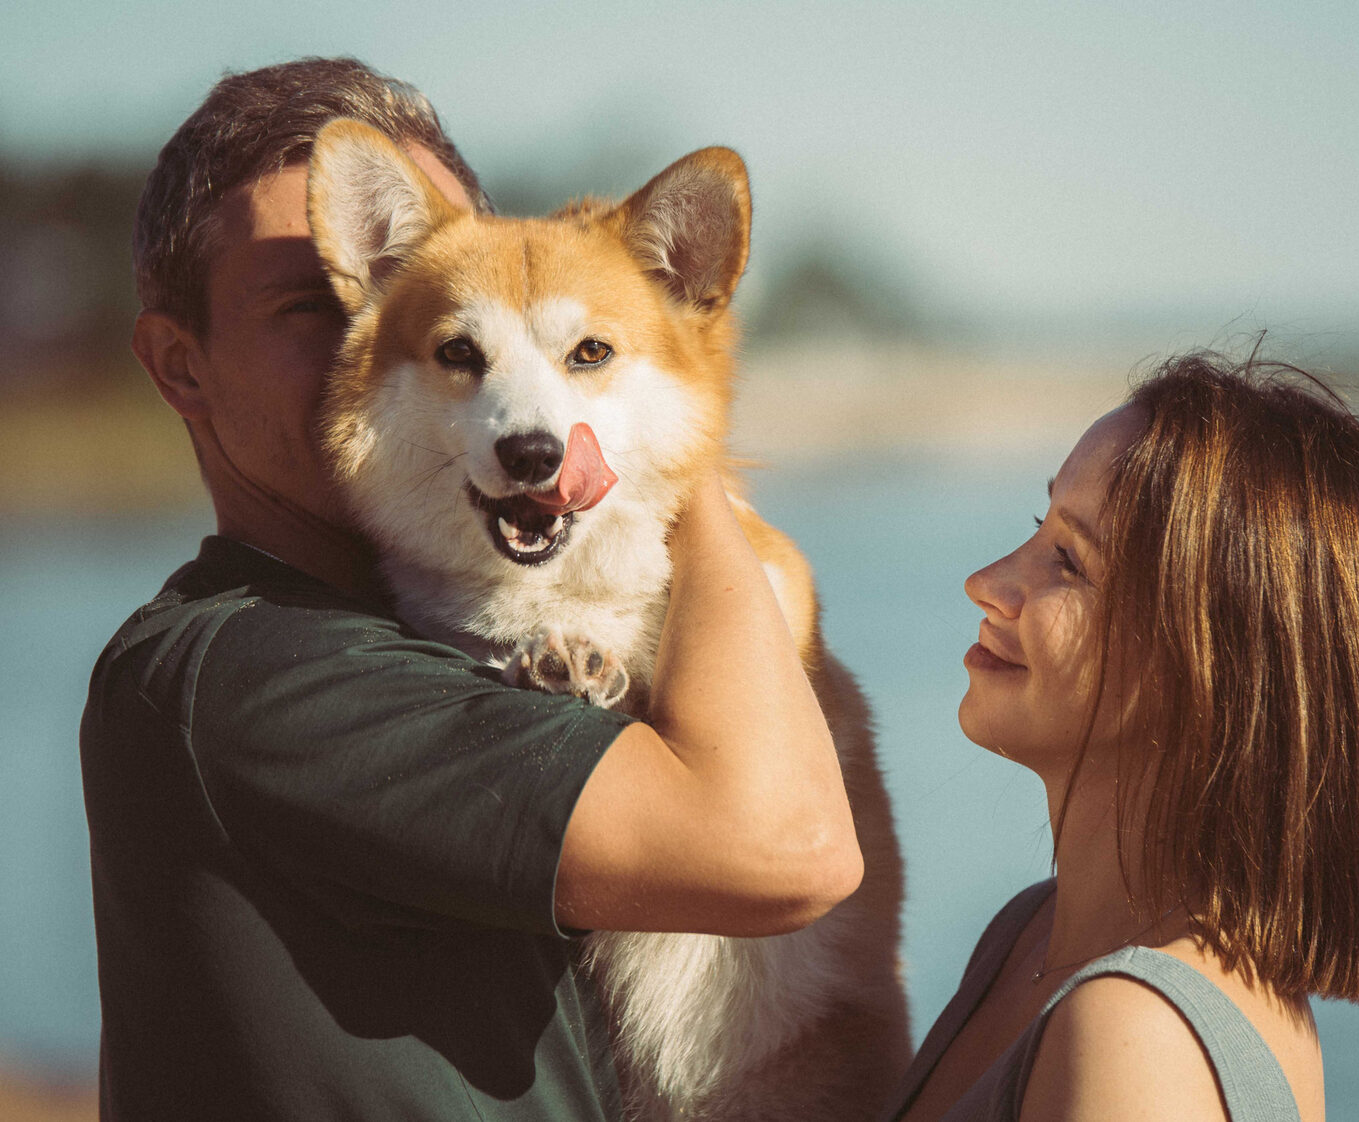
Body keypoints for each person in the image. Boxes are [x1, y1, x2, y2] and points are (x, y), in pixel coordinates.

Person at [85, 57, 861, 1120]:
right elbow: (785, 852)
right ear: (181, 366)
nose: (370, 334)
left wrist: (677, 435)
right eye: (319, 298)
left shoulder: (384, 629)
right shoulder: (251, 672)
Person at [882, 353, 1359, 1121]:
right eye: (1036, 529)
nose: (989, 581)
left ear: (1214, 672)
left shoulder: (1135, 1035)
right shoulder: (1028, 937)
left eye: (1070, 562)